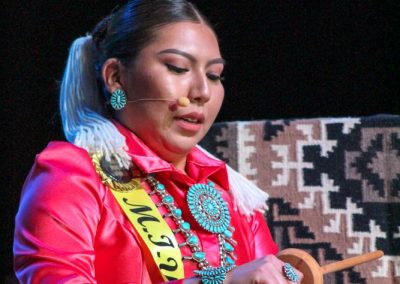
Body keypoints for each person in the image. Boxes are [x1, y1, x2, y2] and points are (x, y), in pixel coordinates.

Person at [14, 1, 303, 283]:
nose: (202, 91)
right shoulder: (73, 176)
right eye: (178, 68)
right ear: (116, 77)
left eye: (215, 75)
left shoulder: (231, 194)